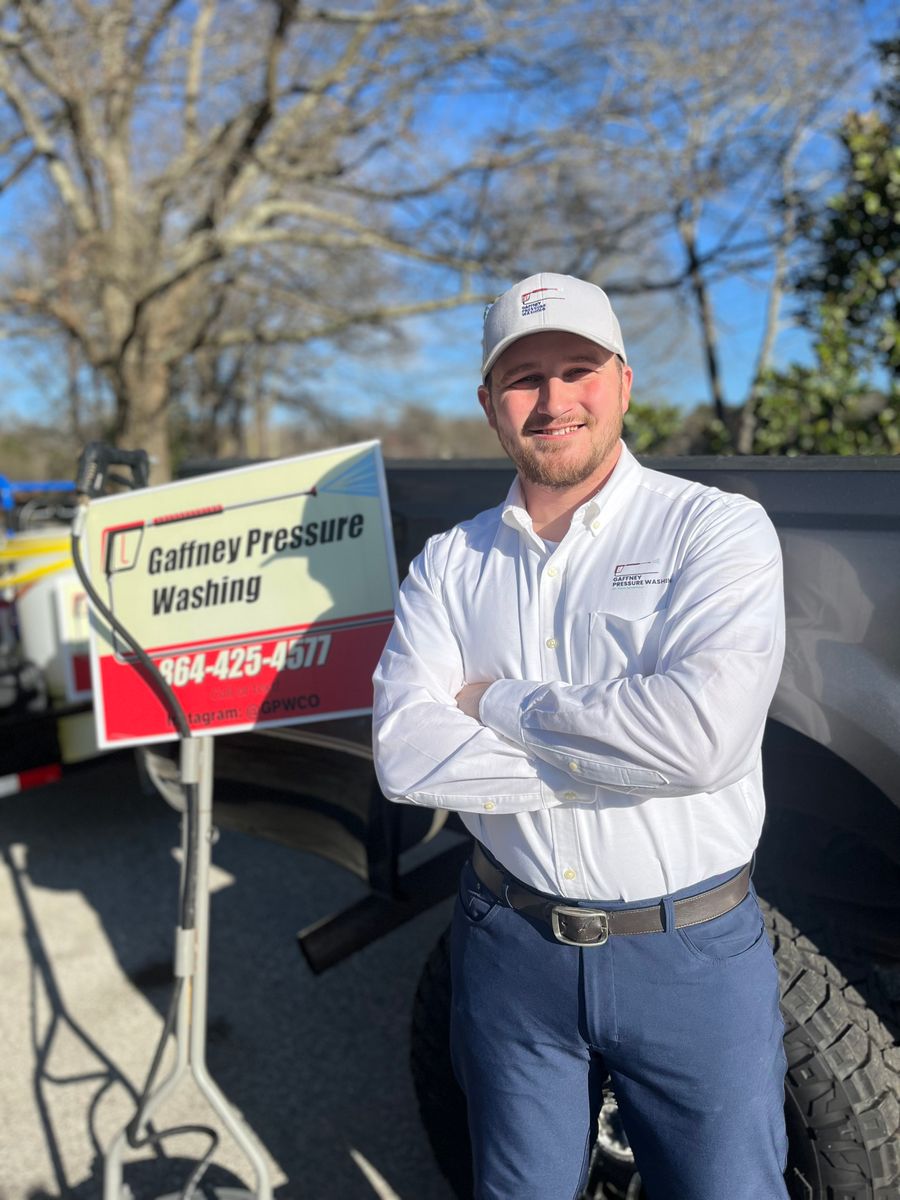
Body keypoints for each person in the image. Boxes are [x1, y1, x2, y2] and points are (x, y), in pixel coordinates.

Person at [372, 272, 788, 1200]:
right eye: (524, 379)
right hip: (507, 945)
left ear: (624, 382)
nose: (554, 400)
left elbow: (700, 742)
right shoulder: (451, 562)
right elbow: (404, 754)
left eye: (577, 369)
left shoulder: (714, 531)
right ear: (488, 404)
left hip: (690, 952)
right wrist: (623, 754)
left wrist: (499, 703)